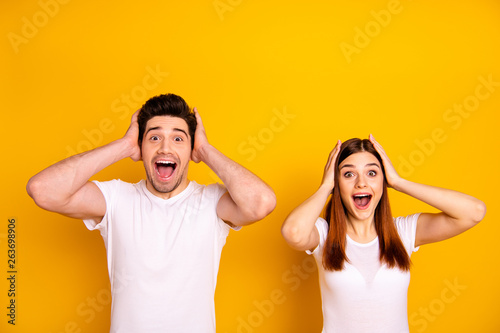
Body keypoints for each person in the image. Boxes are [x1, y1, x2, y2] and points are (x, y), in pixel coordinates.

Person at [27, 93, 276, 333]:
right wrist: (123, 146)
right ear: (141, 147)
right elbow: (43, 190)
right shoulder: (115, 198)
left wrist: (206, 151)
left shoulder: (212, 202)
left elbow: (261, 202)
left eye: (178, 139)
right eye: (154, 138)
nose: (165, 148)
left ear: (191, 150)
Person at [281, 135, 486, 333]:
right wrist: (326, 186)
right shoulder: (323, 233)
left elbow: (474, 212)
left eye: (372, 173)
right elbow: (293, 232)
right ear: (337, 183)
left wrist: (398, 182)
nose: (361, 183)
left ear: (383, 180)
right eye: (348, 174)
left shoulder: (403, 232)